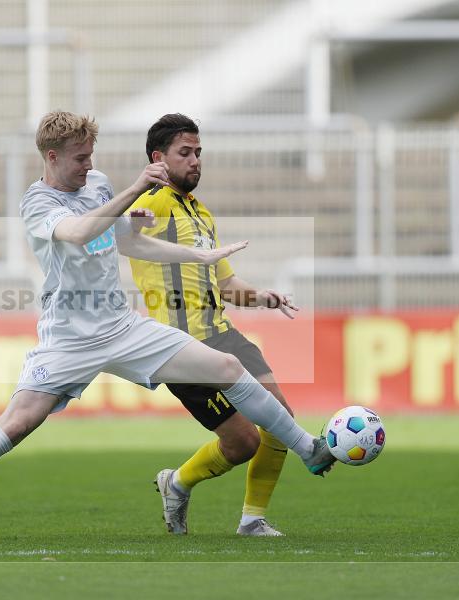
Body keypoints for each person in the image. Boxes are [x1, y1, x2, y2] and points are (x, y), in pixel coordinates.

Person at [0, 111, 334, 544]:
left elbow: (124, 241)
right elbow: (79, 233)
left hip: (122, 328)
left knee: (226, 365)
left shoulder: (97, 184)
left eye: (91, 156)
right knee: (16, 425)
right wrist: (136, 188)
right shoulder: (38, 202)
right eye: (80, 158)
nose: (89, 166)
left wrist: (198, 257)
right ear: (51, 157)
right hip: (69, 339)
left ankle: (307, 448)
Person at [128, 113, 329, 537]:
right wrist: (135, 216)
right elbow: (126, 236)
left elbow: (225, 283)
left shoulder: (202, 213)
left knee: (279, 416)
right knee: (243, 444)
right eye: (185, 153)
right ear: (158, 158)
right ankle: (177, 482)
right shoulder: (152, 203)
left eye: (199, 152)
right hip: (181, 348)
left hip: (224, 333)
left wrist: (263, 297)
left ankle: (252, 519)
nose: (196, 161)